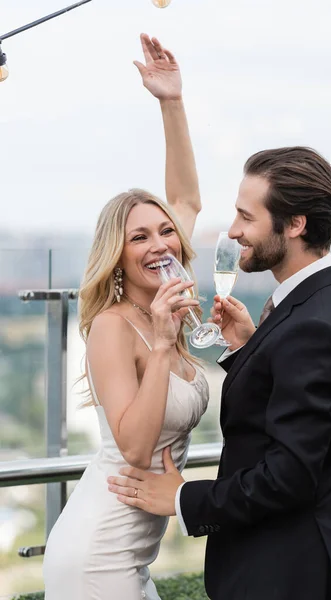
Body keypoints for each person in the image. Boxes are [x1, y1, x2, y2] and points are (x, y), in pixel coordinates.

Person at [108, 146, 331, 600]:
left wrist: (183, 497)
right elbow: (306, 415)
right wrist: (247, 352)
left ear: (294, 224)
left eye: (245, 217)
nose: (233, 232)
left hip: (290, 576)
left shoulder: (311, 324)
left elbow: (288, 476)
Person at [43, 34, 209, 600]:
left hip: (132, 556)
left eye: (165, 231)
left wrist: (172, 101)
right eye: (139, 236)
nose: (160, 242)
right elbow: (136, 451)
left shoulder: (164, 302)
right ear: (118, 255)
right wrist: (162, 346)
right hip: (97, 554)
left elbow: (185, 197)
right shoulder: (117, 326)